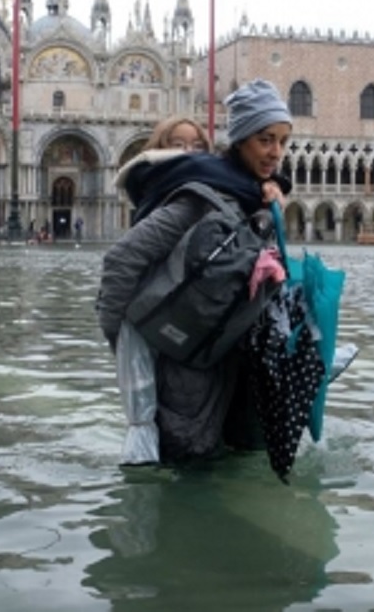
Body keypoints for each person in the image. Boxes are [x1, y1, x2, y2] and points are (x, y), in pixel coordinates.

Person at [97, 80, 292, 465]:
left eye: (283, 142)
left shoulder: (251, 195)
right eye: (266, 139)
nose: (276, 152)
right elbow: (121, 261)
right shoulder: (199, 199)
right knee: (188, 471)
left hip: (227, 368)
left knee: (222, 466)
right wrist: (125, 345)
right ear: (240, 140)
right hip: (184, 377)